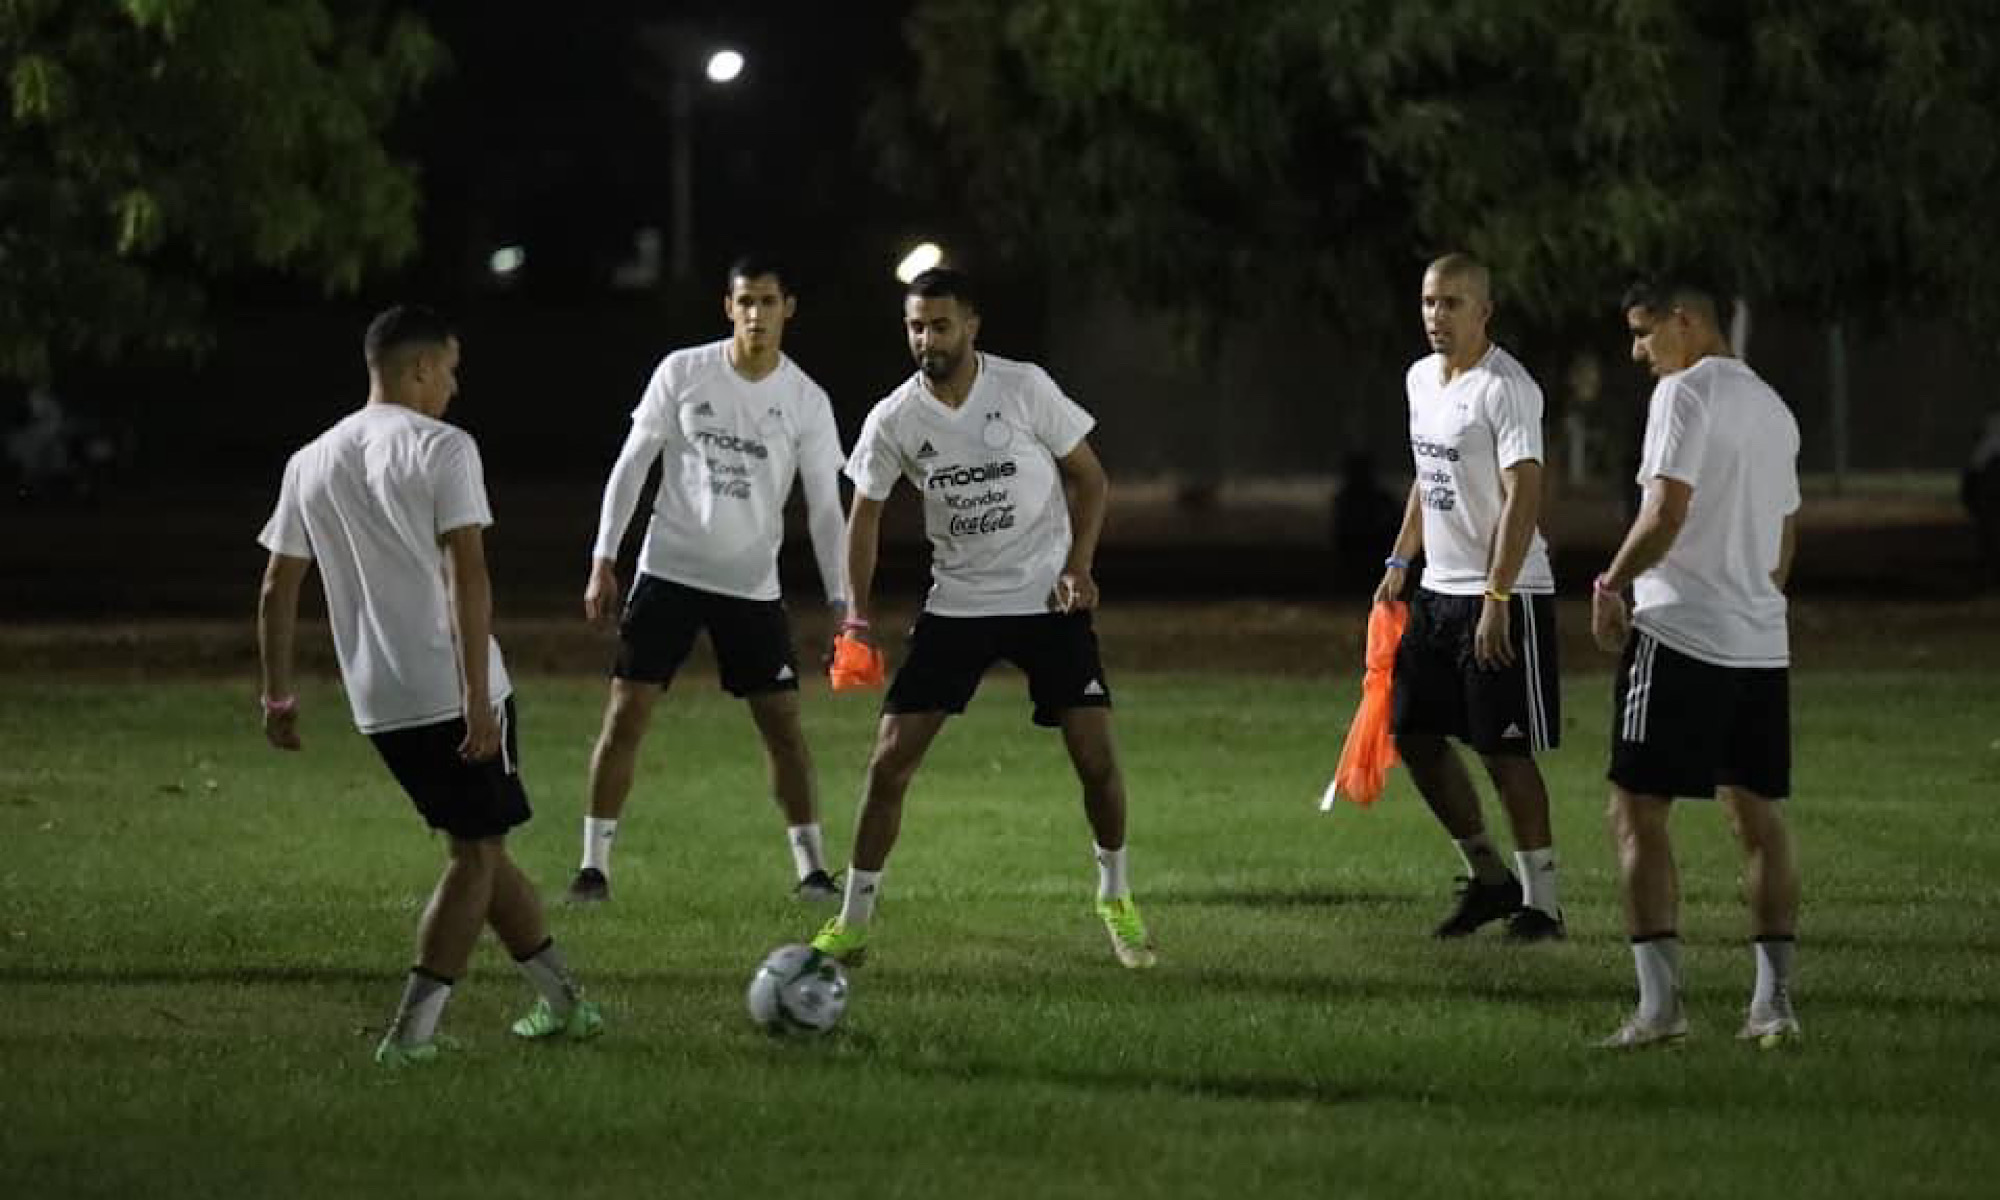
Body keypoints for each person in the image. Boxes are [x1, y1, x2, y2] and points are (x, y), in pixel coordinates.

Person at [255, 306, 602, 1067]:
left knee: (483, 842)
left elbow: (278, 584)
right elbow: (466, 573)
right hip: (451, 692)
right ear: (417, 370)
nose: (454, 384)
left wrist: (278, 698)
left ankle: (566, 1003)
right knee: (475, 859)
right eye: (448, 368)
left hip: (378, 703)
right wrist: (478, 697)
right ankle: (411, 1035)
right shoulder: (444, 448)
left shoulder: (311, 458)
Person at [809, 267, 1155, 969]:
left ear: (972, 326)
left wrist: (1079, 569)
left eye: (939, 324)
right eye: (914, 326)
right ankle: (851, 921)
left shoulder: (1023, 388)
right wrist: (855, 618)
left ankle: (1115, 897)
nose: (926, 338)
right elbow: (863, 518)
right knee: (889, 762)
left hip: (1045, 603)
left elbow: (1090, 476)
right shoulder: (896, 417)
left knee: (1095, 758)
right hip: (958, 604)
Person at [572, 255, 849, 904]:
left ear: (789, 309)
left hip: (752, 585)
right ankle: (593, 867)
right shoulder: (683, 372)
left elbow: (826, 508)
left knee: (782, 724)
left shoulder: (805, 400)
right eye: (745, 301)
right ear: (728, 307)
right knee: (627, 714)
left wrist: (843, 601)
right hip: (668, 570)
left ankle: (810, 869)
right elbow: (632, 464)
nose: (756, 314)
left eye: (768, 302)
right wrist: (602, 558)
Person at [1591, 278, 1802, 1050]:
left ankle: (1659, 1011)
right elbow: (1783, 541)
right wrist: (1752, 601)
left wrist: (1611, 583)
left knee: (1636, 809)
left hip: (1679, 632)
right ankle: (1772, 1006)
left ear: (1687, 322)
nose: (1638, 351)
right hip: (1759, 641)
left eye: (1646, 332)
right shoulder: (1774, 408)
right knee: (1758, 818)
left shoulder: (1684, 396)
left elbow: (1665, 512)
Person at [1375, 253, 1566, 941]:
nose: (1436, 316)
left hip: (1505, 594)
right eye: (1429, 302)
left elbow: (1525, 494)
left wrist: (1497, 594)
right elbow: (1431, 476)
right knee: (1415, 736)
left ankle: (1543, 906)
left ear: (1484, 311)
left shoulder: (1507, 388)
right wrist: (1402, 558)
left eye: (1452, 303)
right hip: (1436, 594)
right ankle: (1489, 879)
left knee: (1503, 749)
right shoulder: (1420, 379)